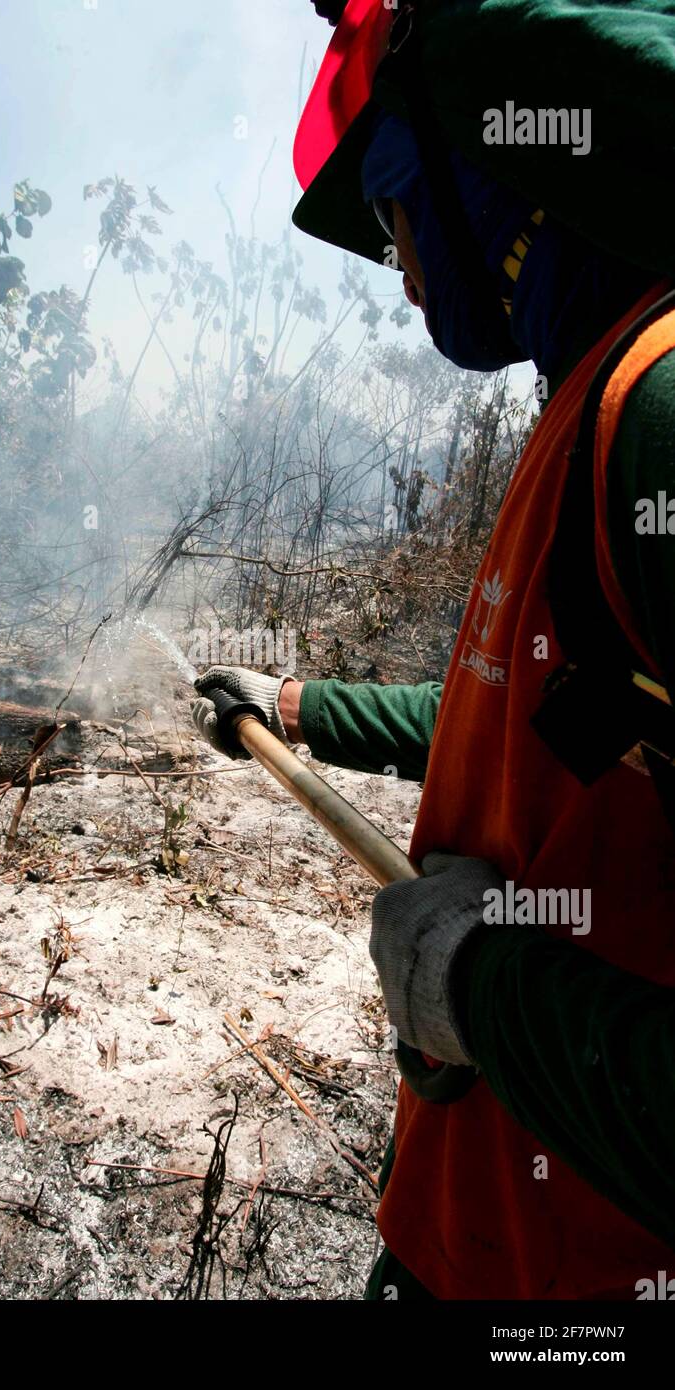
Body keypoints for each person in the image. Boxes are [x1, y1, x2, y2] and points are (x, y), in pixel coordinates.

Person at [190, 0, 675, 1300]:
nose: (397, 266)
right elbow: (532, 722)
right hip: (460, 1243)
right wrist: (292, 702)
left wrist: (478, 986)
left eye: (394, 209)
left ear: (489, 166)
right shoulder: (590, 402)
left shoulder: (655, 416)